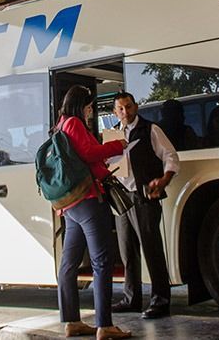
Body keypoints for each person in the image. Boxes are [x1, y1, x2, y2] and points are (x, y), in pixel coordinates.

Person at [55, 85, 131, 340]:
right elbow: (88, 153)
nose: (89, 112)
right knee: (101, 262)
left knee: (69, 264)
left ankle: (72, 322)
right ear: (80, 106)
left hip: (71, 204)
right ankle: (104, 325)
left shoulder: (60, 125)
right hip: (88, 200)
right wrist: (116, 146)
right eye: (88, 107)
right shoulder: (74, 123)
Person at [110, 92, 179, 320]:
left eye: (128, 106)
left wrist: (165, 179)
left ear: (136, 106)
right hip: (121, 198)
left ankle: (160, 301)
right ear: (114, 112)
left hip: (144, 196)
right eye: (120, 109)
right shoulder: (112, 134)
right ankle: (131, 299)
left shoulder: (150, 129)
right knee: (127, 250)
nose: (125, 112)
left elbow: (170, 156)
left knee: (152, 249)